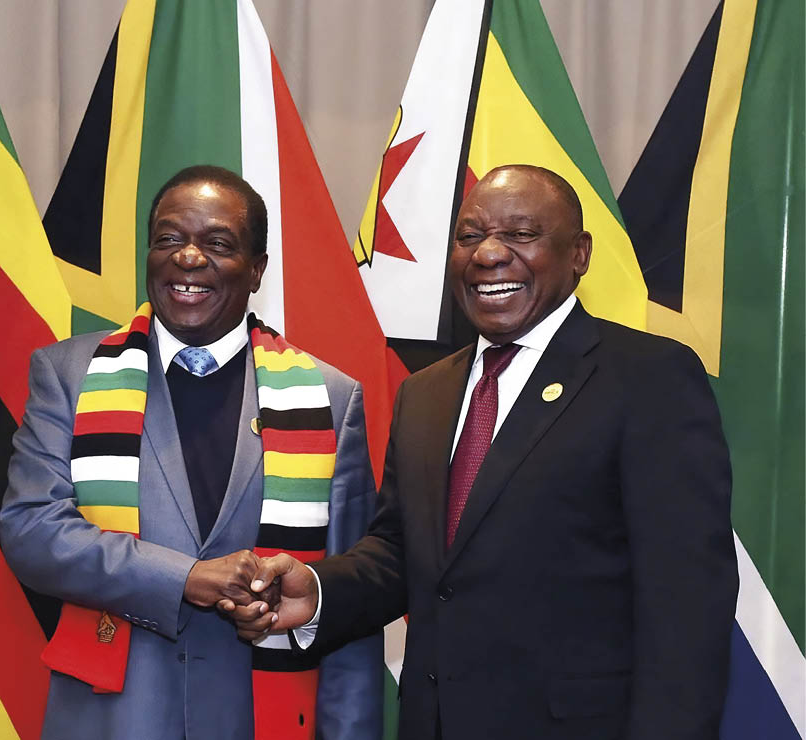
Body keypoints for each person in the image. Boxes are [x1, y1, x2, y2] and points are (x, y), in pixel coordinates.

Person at [232, 165, 738, 739]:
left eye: (522, 235)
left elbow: (686, 608)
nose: (489, 255)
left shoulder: (649, 379)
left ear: (579, 253)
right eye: (469, 236)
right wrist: (318, 591)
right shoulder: (424, 393)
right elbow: (405, 554)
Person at [0, 165, 382, 740]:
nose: (187, 258)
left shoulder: (329, 397)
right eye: (169, 239)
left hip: (262, 716)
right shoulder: (68, 375)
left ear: (257, 270)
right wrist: (185, 578)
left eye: (218, 244)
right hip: (110, 717)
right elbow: (31, 530)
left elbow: (348, 595)